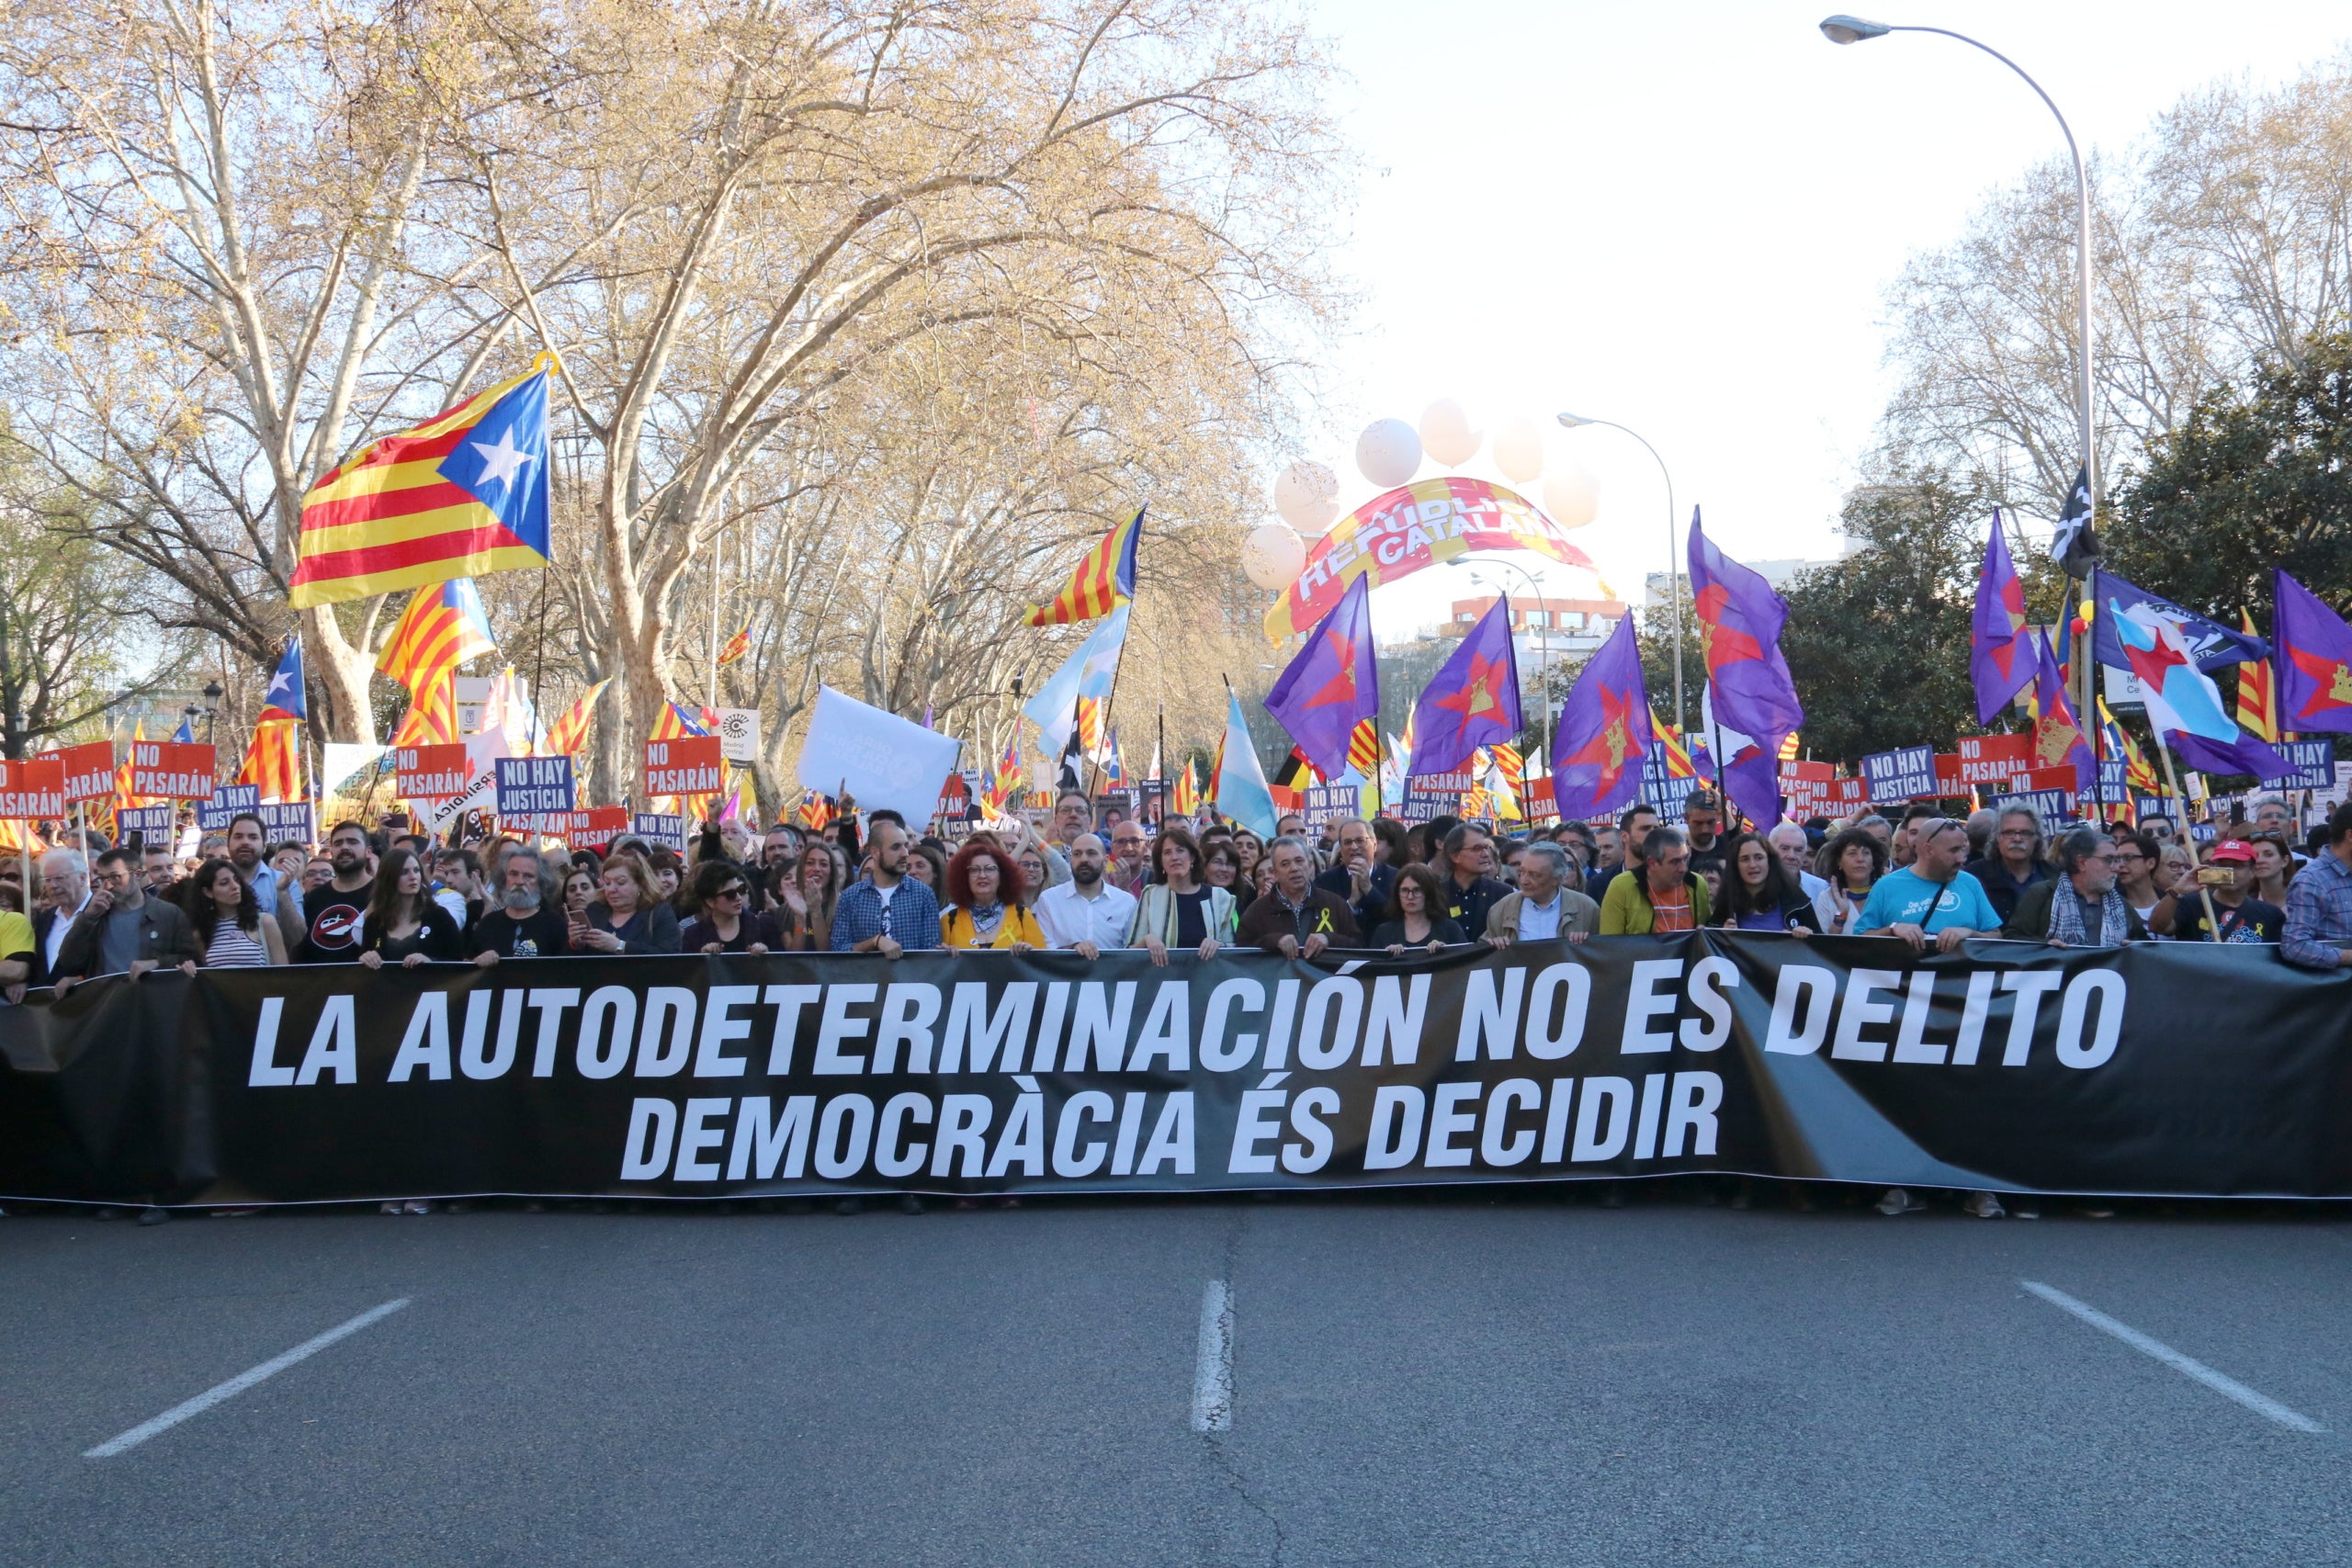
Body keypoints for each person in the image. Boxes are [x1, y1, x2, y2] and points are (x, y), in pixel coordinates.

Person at [53, 846, 203, 983]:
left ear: (137, 874)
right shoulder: (96, 915)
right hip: (106, 1002)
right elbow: (68, 961)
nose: (109, 885)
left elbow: (190, 958)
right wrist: (88, 917)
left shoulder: (168, 913)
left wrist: (157, 963)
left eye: (115, 877)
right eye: (102, 879)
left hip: (151, 1001)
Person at [1855, 816, 1996, 953]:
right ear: (1929, 850)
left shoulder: (1970, 884)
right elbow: (1858, 941)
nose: (1961, 858)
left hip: (1959, 975)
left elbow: (1997, 936)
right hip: (1905, 976)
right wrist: (1892, 929)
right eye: (1953, 850)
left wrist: (1970, 933)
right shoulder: (1885, 887)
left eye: (1962, 849)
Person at [2003, 829, 2148, 946]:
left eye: (2117, 860)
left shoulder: (2120, 904)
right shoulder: (2043, 894)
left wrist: (2134, 947)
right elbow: (2012, 938)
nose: (2117, 868)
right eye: (2109, 860)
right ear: (2081, 862)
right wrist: (2045, 946)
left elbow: (2144, 942)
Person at [831, 819, 941, 956]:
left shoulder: (923, 895)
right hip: (866, 976)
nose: (905, 853)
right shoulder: (851, 897)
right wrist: (874, 942)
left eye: (905, 846)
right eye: (896, 847)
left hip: (910, 977)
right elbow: (838, 950)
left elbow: (931, 953)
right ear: (875, 852)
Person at [1127, 825, 1235, 965]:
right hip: (1161, 982)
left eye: (1180, 850)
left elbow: (1234, 949)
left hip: (1207, 982)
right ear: (1161, 862)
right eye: (1167, 852)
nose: (1174, 857)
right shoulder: (1150, 895)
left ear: (1192, 857)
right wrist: (1146, 940)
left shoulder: (1219, 898)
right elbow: (1129, 953)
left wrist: (1220, 946)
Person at [1238, 835, 1358, 957]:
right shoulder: (1257, 911)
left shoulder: (1335, 904)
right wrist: (1273, 941)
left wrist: (1329, 939)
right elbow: (1240, 954)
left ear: (1310, 865)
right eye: (1285, 864)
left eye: (1299, 861)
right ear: (1275, 873)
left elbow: (1358, 947)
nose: (1294, 868)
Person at [356, 847, 465, 967]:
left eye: (417, 870)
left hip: (431, 985)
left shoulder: (439, 916)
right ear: (388, 877)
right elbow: (364, 969)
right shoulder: (374, 921)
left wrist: (431, 962)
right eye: (404, 872)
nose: (413, 877)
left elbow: (458, 961)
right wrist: (367, 958)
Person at [1035, 833, 1136, 959]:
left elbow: (1132, 953)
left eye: (1091, 853)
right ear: (1071, 860)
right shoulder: (1049, 900)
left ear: (1105, 861)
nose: (1083, 859)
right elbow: (1044, 951)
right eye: (1077, 854)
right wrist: (1073, 948)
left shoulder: (1126, 902)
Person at [287, 820, 375, 963]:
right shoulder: (314, 897)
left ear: (368, 851)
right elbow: (299, 945)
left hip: (365, 981)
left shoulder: (382, 893)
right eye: (338, 843)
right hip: (319, 982)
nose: (344, 847)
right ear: (331, 850)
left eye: (352, 842)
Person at [2169, 838, 2286, 945]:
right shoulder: (2190, 904)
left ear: (2252, 871)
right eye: (2223, 865)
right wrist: (2176, 891)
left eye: (2237, 866)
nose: (2230, 872)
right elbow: (2160, 927)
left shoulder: (2271, 915)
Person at [1599, 825, 1711, 934]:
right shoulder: (1622, 887)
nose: (1683, 868)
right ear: (1652, 863)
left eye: (1685, 859)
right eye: (1675, 862)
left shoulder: (1696, 883)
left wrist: (1709, 932)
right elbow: (1610, 945)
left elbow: (1708, 932)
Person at [1484, 840, 1598, 947]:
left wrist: (1586, 944)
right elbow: (1482, 954)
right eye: (1522, 872)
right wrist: (1492, 945)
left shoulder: (1587, 909)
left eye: (1534, 875)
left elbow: (1601, 953)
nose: (1524, 881)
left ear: (1556, 879)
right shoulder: (1501, 909)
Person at [937, 841, 1044, 952]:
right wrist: (945, 956)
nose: (982, 875)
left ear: (1002, 876)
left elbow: (1042, 962)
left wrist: (1029, 953)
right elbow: (941, 967)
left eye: (990, 869)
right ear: (965, 878)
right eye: (974, 869)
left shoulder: (1022, 916)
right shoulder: (949, 920)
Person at [185, 855, 289, 967]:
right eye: (224, 883)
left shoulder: (264, 922)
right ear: (208, 892)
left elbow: (283, 972)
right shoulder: (201, 933)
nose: (235, 886)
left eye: (236, 880)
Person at [471, 848, 574, 962]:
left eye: (528, 876)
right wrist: (478, 962)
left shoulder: (556, 925)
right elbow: (467, 971)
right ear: (504, 878)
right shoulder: (488, 924)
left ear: (541, 882)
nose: (519, 881)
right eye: (513, 874)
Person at [1962, 805, 2055, 928]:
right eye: (2009, 832)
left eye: (2025, 833)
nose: (2017, 839)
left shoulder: (2056, 875)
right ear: (1997, 837)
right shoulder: (1975, 875)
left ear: (2036, 839)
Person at [1714, 830, 1823, 934]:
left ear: (1770, 862)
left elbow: (1821, 948)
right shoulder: (1725, 906)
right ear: (1735, 865)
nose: (1752, 865)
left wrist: (1808, 937)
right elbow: (1709, 943)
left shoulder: (1796, 899)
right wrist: (1722, 936)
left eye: (1759, 857)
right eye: (1745, 859)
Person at [575, 852, 683, 954]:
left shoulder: (659, 913)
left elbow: (669, 955)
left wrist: (620, 946)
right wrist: (575, 943)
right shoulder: (594, 910)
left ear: (640, 885)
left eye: (621, 882)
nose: (611, 889)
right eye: (607, 883)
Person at [679, 859, 780, 953]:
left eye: (741, 889)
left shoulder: (763, 926)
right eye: (730, 895)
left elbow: (780, 967)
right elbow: (688, 971)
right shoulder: (693, 935)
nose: (738, 897)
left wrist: (766, 956)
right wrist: (703, 960)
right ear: (710, 902)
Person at [1314, 818, 1396, 932]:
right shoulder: (1325, 882)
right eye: (1347, 842)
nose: (1354, 847)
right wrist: (1351, 904)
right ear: (1341, 849)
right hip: (1344, 948)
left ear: (1375, 845)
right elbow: (1324, 925)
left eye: (1360, 840)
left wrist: (1369, 890)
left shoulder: (1395, 877)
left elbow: (1396, 919)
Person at [1366, 863, 1465, 954]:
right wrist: (1384, 957)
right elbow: (1371, 969)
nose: (1410, 896)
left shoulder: (1451, 930)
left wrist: (1446, 953)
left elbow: (1465, 964)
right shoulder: (1383, 932)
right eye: (1405, 890)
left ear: (1429, 893)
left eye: (1417, 890)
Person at [1435, 822, 1511, 936]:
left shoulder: (1502, 893)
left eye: (1486, 848)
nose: (1485, 854)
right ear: (1455, 856)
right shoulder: (1436, 894)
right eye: (1477, 849)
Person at [30, 848, 92, 987]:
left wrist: (82, 979)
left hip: (90, 1002)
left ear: (82, 878)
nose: (52, 885)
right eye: (48, 880)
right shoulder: (44, 919)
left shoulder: (103, 912)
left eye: (59, 878)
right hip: (45, 1004)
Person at [1768, 819, 1838, 931]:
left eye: (1798, 850)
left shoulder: (1821, 888)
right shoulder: (1756, 886)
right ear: (1770, 849)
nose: (1791, 856)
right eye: (1784, 848)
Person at [774, 842, 842, 952]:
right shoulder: (785, 911)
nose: (816, 869)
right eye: (810, 863)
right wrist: (800, 918)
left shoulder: (843, 906)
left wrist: (816, 912)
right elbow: (795, 958)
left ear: (831, 874)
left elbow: (827, 956)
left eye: (823, 864)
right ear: (801, 870)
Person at [1587, 805, 1657, 905]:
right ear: (1624, 836)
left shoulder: (1669, 877)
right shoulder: (1600, 883)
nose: (1653, 834)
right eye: (1645, 828)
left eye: (1656, 828)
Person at [224, 812, 284, 921]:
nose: (245, 842)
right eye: (238, 837)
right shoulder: (213, 884)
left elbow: (297, 936)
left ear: (264, 846)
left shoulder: (283, 882)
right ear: (228, 844)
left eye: (253, 837)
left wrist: (283, 894)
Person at [1682, 789, 1726, 880]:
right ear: (1686, 818)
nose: (1705, 830)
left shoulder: (1727, 846)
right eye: (1698, 823)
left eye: (1710, 822)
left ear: (1718, 816)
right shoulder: (1680, 855)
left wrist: (1723, 809)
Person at [2247, 831, 2298, 908]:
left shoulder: (2302, 898)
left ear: (2285, 861)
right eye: (2255, 856)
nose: (2259, 860)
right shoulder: (2245, 904)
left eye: (2268, 855)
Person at [1105, 819, 1150, 896]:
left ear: (1145, 847)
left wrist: (1124, 888)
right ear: (1112, 847)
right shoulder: (1103, 882)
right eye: (1121, 842)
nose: (1128, 848)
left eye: (1135, 841)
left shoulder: (1156, 882)